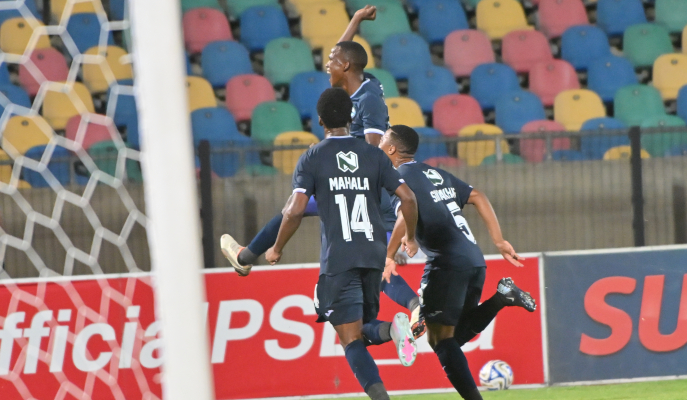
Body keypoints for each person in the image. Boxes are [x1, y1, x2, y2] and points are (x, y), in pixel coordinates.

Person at [220, 6, 425, 335]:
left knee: (357, 245)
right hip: (352, 180)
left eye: (332, 61)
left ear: (344, 67)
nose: (327, 64)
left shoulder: (369, 100)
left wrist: (345, 168)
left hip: (362, 186)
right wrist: (354, 21)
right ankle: (245, 257)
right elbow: (344, 55)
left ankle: (411, 306)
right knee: (298, 210)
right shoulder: (354, 86)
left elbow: (373, 151)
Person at [264, 88, 419, 400]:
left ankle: (391, 339)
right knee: (361, 329)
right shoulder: (374, 154)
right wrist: (410, 237)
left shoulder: (313, 157)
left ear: (320, 120)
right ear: (352, 116)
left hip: (340, 259)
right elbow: (409, 198)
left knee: (350, 339)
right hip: (374, 257)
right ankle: (391, 330)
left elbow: (294, 211)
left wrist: (276, 247)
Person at [379, 125, 537, 400]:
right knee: (454, 338)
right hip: (474, 260)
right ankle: (502, 297)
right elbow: (477, 196)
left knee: (441, 342)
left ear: (392, 148)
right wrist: (498, 240)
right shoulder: (434, 173)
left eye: (382, 140)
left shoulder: (399, 177)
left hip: (446, 263)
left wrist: (395, 251)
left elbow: (407, 208)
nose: (379, 144)